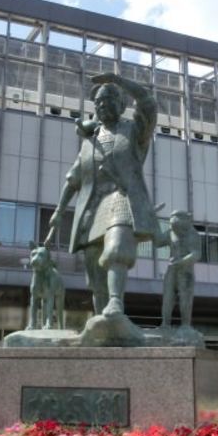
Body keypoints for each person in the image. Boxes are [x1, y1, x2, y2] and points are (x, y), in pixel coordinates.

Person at [46, 72, 159, 318]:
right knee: (94, 270)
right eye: (98, 102)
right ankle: (101, 319)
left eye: (108, 100)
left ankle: (116, 302)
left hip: (121, 197)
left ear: (121, 105)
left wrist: (119, 80)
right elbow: (73, 179)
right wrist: (58, 211)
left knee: (117, 249)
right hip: (92, 206)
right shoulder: (90, 141)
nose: (102, 105)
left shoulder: (134, 131)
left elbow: (148, 102)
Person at [155, 210, 201, 328]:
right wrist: (153, 221)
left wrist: (183, 262)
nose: (176, 231)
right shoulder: (171, 232)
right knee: (167, 297)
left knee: (185, 298)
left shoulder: (193, 235)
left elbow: (196, 254)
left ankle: (185, 326)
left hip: (186, 271)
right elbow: (158, 242)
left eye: (178, 228)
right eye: (172, 226)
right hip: (172, 269)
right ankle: (165, 324)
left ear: (186, 222)